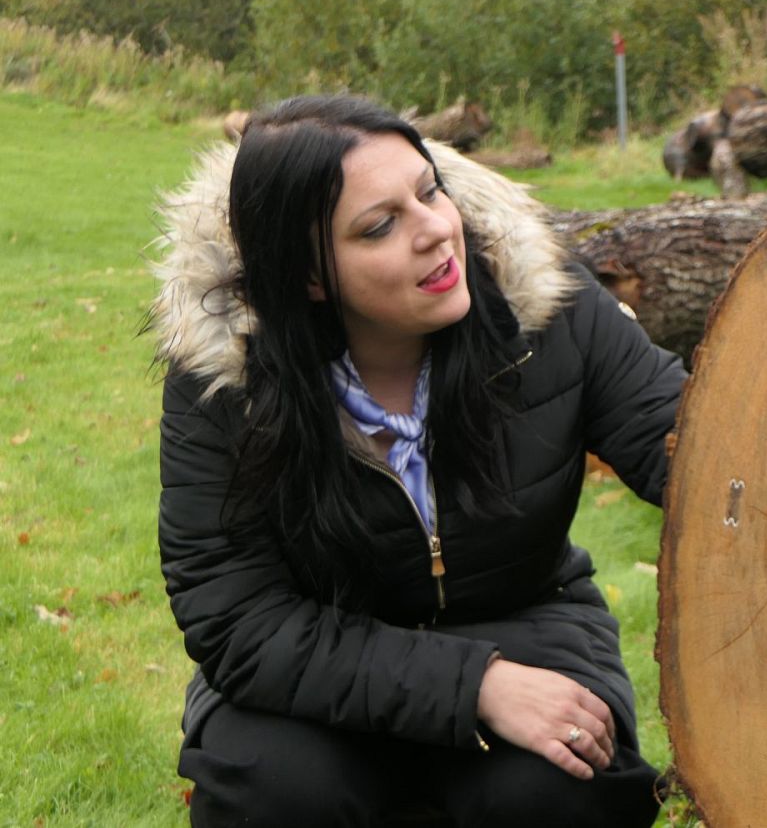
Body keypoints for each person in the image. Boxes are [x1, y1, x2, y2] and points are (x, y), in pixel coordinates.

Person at [151, 95, 685, 826]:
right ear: (308, 276)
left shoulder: (549, 312)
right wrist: (475, 688)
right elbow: (237, 620)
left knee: (555, 793)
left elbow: (694, 453)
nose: (437, 230)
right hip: (314, 673)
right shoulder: (224, 379)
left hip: (523, 622)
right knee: (280, 793)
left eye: (430, 191)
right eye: (380, 226)